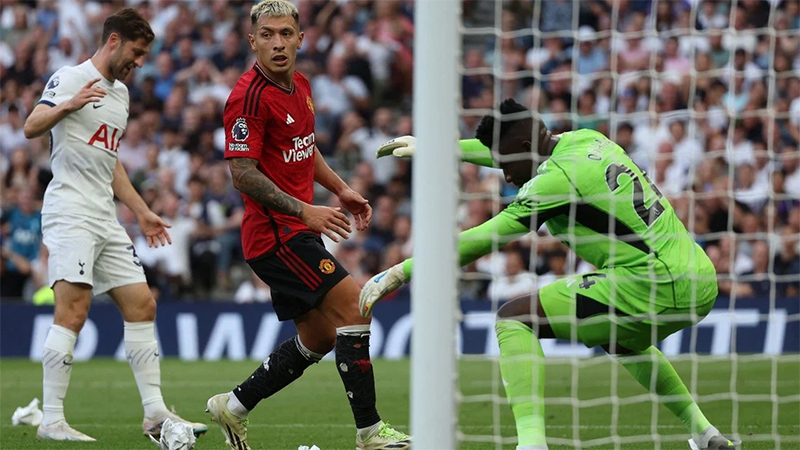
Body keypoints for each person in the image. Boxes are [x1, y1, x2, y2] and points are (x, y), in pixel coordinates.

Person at [361, 99, 741, 450]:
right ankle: (706, 435)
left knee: (515, 319)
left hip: (652, 283)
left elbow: (484, 238)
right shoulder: (585, 139)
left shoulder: (555, 180)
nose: (506, 175)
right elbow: (509, 153)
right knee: (621, 339)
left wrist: (402, 271)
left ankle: (531, 444)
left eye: (508, 163)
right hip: (697, 277)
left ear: (527, 143)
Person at [204, 2, 410, 450]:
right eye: (267, 34)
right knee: (356, 308)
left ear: (300, 38)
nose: (277, 43)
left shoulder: (300, 84)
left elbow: (304, 147)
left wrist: (340, 189)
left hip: (297, 229)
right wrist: (305, 210)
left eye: (285, 33)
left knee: (317, 337)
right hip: (275, 235)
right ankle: (370, 432)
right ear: (252, 40)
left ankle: (234, 406)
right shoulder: (247, 96)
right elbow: (242, 172)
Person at [22, 8, 206, 442]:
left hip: (105, 214)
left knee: (142, 304)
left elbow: (111, 161)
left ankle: (156, 415)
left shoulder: (120, 95)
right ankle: (51, 420)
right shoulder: (70, 77)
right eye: (137, 52)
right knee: (73, 310)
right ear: (113, 41)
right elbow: (32, 125)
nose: (139, 62)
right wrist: (67, 105)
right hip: (70, 210)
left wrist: (141, 211)